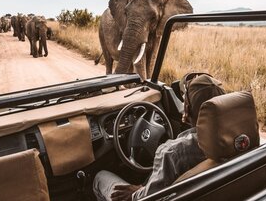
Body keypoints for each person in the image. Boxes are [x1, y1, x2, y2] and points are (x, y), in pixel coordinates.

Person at [93, 74, 226, 201]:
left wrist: (135, 193)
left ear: (187, 109)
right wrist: (143, 187)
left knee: (99, 177)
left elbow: (148, 197)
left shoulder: (174, 153)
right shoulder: (237, 139)